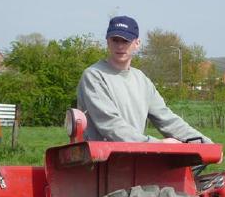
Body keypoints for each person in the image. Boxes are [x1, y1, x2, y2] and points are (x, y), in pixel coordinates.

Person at [77, 16, 212, 144]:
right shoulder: (94, 76)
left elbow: (167, 119)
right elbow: (110, 124)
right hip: (100, 158)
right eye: (115, 40)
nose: (120, 46)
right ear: (108, 41)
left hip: (136, 156)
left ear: (137, 43)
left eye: (125, 41)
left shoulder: (141, 80)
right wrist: (155, 144)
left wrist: (205, 143)